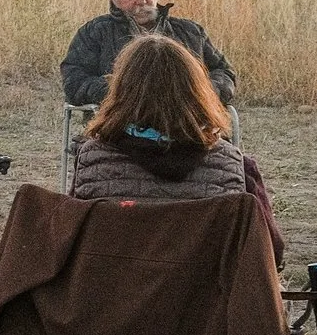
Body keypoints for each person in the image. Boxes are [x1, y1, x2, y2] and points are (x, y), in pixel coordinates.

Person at [68, 35, 285, 264]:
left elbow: (73, 244)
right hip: (205, 298)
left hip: (116, 296)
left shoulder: (92, 159)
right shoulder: (236, 165)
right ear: (198, 93)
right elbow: (271, 253)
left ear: (120, 92)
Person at [60, 0, 237, 109]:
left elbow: (225, 73)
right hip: (117, 127)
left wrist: (198, 91)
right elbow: (74, 82)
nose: (143, 1)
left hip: (188, 125)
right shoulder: (96, 32)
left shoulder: (189, 32)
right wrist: (123, 90)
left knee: (222, 150)